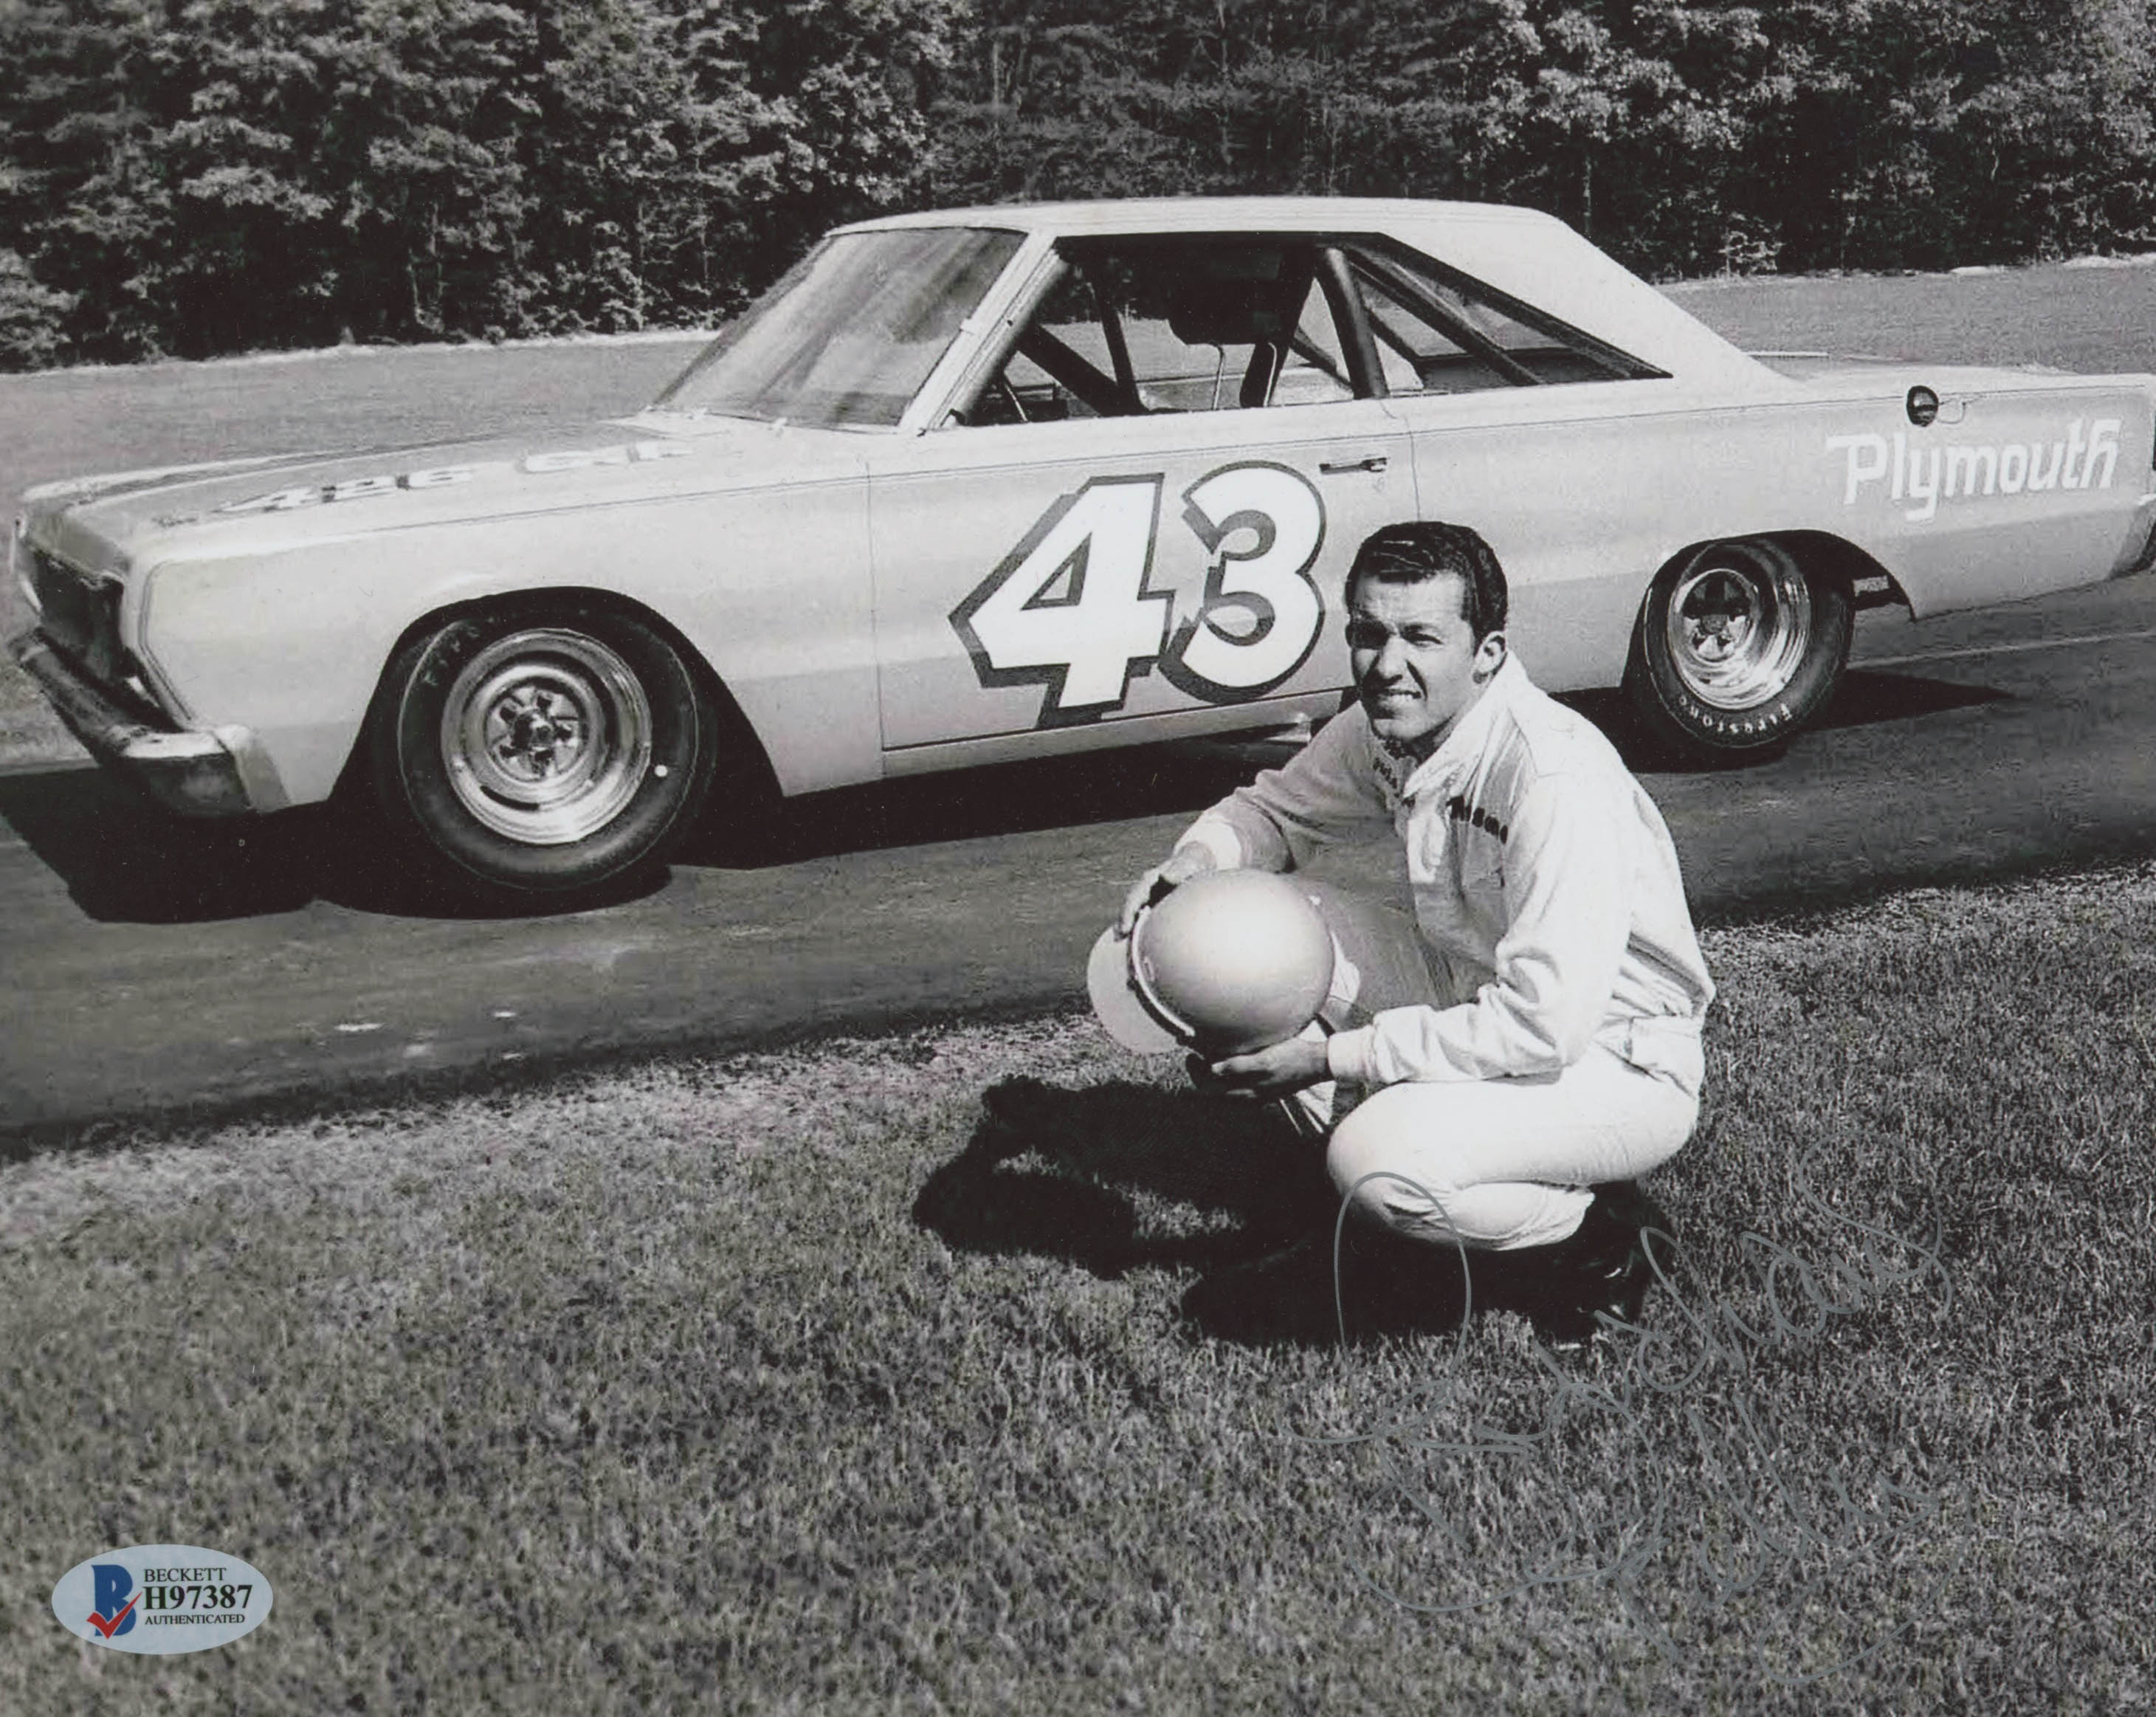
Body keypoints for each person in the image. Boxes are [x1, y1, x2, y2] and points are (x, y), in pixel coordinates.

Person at [1120, 521, 1715, 1346]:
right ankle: (1368, 1236)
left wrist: (1331, 1058)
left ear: (1488, 651)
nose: (1385, 664)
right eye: (1368, 633)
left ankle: (1598, 1239)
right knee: (1254, 937)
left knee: (1378, 1162)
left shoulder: (1552, 777)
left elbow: (1542, 1024)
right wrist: (1192, 864)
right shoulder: (1390, 721)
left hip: (1612, 1058)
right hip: (1475, 989)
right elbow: (1270, 811)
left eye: (1420, 637)